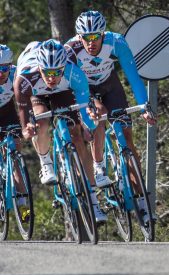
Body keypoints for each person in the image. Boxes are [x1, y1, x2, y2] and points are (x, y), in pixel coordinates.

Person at [65, 10, 155, 222]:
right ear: (79, 37)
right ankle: (98, 168)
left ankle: (142, 201)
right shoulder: (71, 50)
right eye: (86, 38)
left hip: (110, 85)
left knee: (127, 137)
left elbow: (134, 77)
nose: (91, 42)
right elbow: (72, 88)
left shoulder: (116, 42)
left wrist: (144, 107)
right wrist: (86, 119)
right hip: (84, 89)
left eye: (96, 37)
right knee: (98, 118)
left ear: (103, 34)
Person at [14, 39, 107, 223]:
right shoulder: (25, 78)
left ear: (64, 67)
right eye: (47, 72)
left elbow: (83, 105)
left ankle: (94, 202)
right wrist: (27, 128)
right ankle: (46, 163)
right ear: (39, 67)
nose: (51, 77)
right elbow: (24, 112)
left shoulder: (74, 72)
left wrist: (88, 125)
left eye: (57, 72)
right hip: (36, 94)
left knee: (77, 137)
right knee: (41, 123)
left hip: (63, 92)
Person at [0, 45, 30, 222]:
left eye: (4, 68)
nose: (1, 73)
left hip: (8, 112)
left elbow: (25, 101)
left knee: (15, 156)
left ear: (10, 66)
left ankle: (25, 208)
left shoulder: (15, 74)